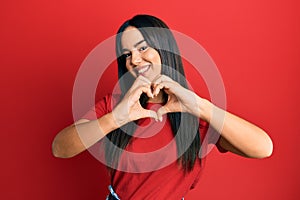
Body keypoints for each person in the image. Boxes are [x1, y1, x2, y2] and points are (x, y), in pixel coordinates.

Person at [52, 14, 273, 199]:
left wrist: (200, 106)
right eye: (127, 54)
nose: (135, 60)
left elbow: (263, 148)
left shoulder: (196, 113)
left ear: (164, 48)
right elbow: (60, 148)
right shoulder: (114, 105)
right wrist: (116, 119)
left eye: (142, 48)